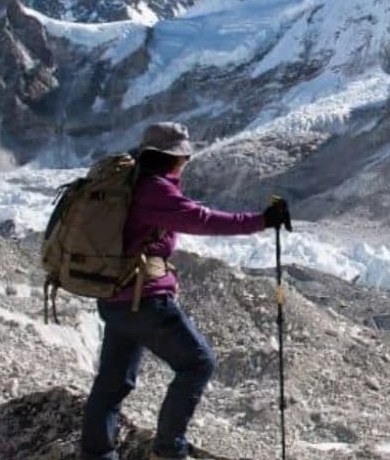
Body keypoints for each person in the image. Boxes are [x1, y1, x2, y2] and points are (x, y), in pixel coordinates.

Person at [79, 122, 290, 460]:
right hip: (144, 299)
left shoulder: (131, 184)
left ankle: (96, 453)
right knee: (198, 362)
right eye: (184, 156)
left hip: (114, 297)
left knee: (113, 382)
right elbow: (201, 220)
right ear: (175, 158)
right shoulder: (155, 191)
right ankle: (168, 452)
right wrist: (261, 221)